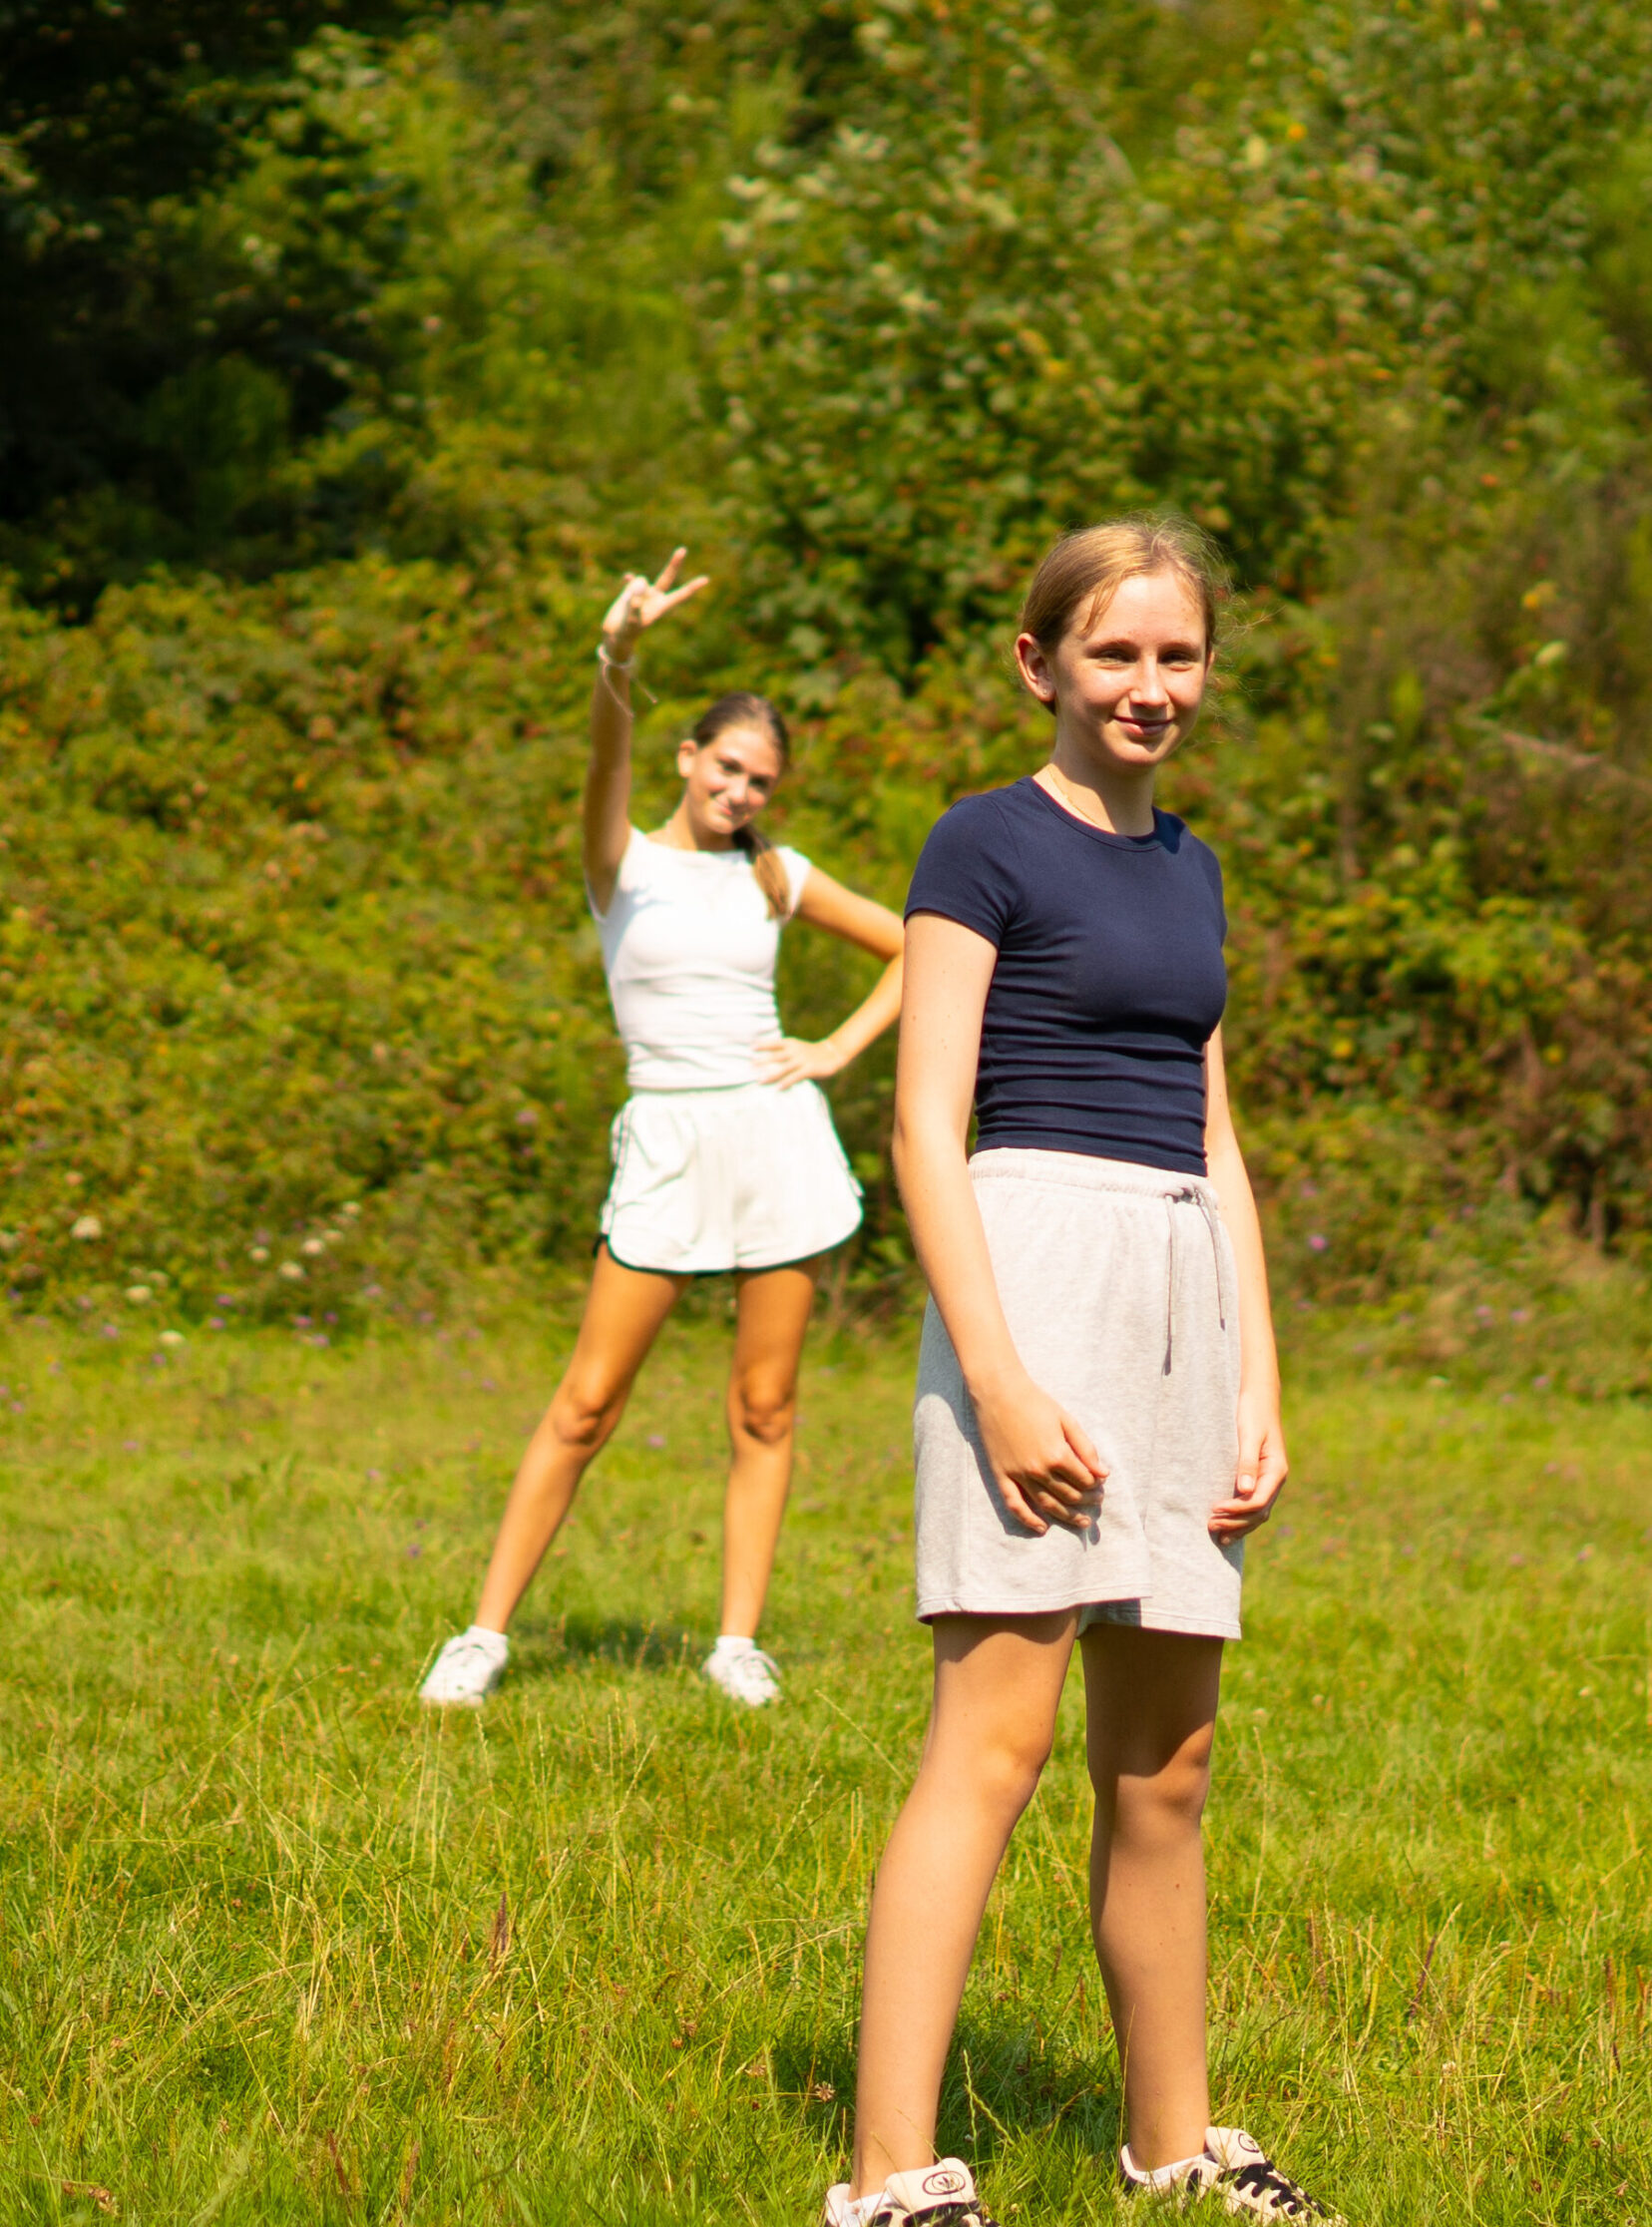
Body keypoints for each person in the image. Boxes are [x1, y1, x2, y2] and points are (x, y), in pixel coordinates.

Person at [826, 519, 1344, 2227]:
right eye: (1113, 653)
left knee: (1165, 1767)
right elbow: (923, 1123)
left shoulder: (1193, 868)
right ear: (1037, 663)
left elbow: (1215, 1132)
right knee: (996, 1744)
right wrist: (996, 1377)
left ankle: (1171, 2147)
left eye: (1175, 655)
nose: (1147, 685)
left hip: (1183, 1294)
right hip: (1033, 1282)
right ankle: (889, 2176)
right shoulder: (978, 844)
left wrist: (1257, 1381)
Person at [420, 552, 905, 1712]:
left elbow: (918, 946)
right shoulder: (621, 865)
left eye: (760, 781)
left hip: (774, 1141)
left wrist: (836, 1048)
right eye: (726, 767)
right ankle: (482, 1636)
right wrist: (618, 651)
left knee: (764, 1407)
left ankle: (736, 1643)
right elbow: (605, 757)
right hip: (667, 1145)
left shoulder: (778, 875)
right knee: (586, 1402)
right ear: (688, 758)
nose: (740, 792)